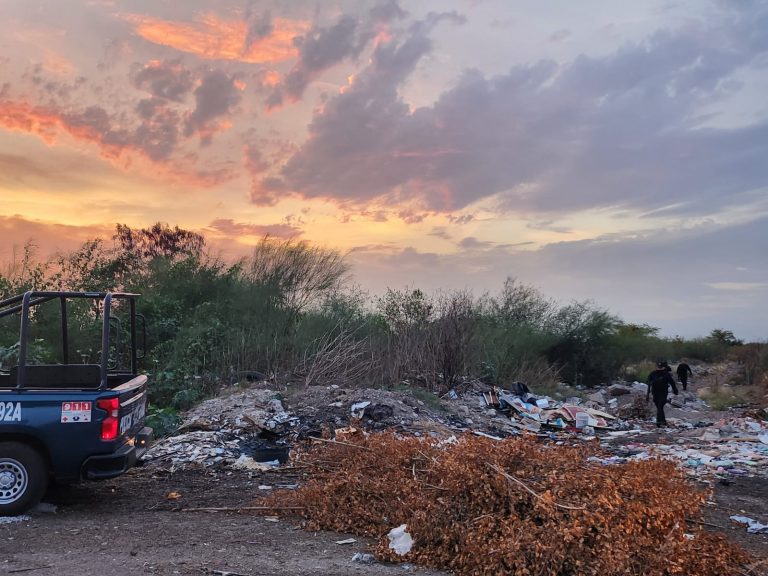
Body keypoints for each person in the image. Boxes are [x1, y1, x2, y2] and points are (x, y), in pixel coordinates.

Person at [646, 361, 678, 427]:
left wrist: (675, 390)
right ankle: (663, 421)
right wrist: (648, 394)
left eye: (661, 367)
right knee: (659, 407)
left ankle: (659, 422)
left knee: (660, 406)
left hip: (663, 393)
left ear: (663, 367)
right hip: (655, 392)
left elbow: (672, 382)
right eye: (658, 367)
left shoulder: (666, 374)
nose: (659, 368)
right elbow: (648, 382)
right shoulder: (653, 373)